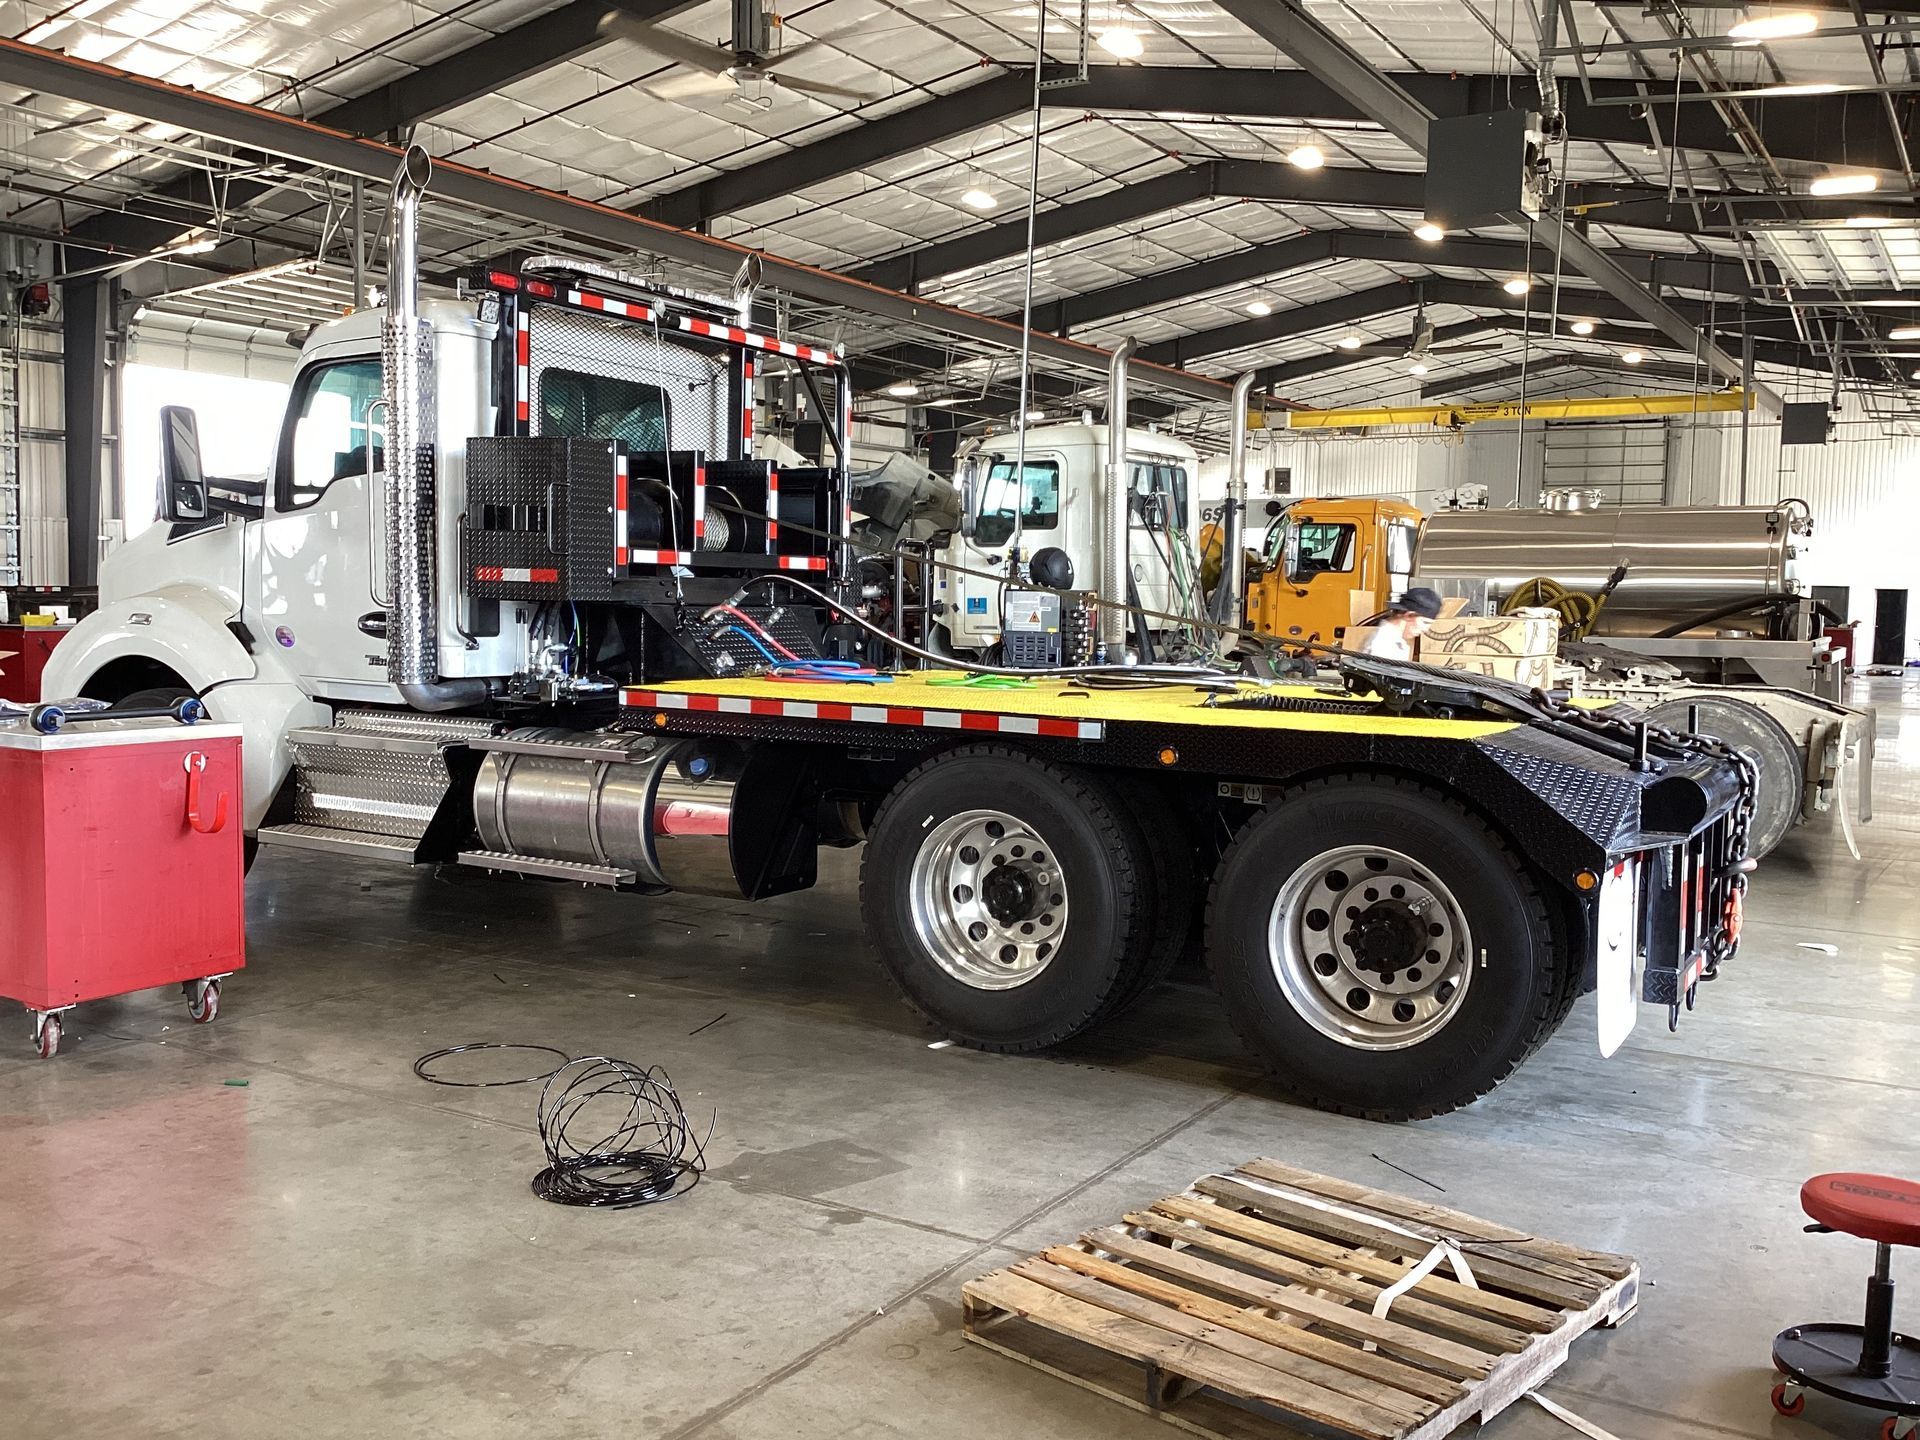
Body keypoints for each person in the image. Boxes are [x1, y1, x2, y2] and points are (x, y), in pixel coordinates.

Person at [1362, 587, 1443, 661]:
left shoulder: (1396, 642)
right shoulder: (1384, 644)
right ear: (1409, 615)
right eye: (1425, 622)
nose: (1425, 629)